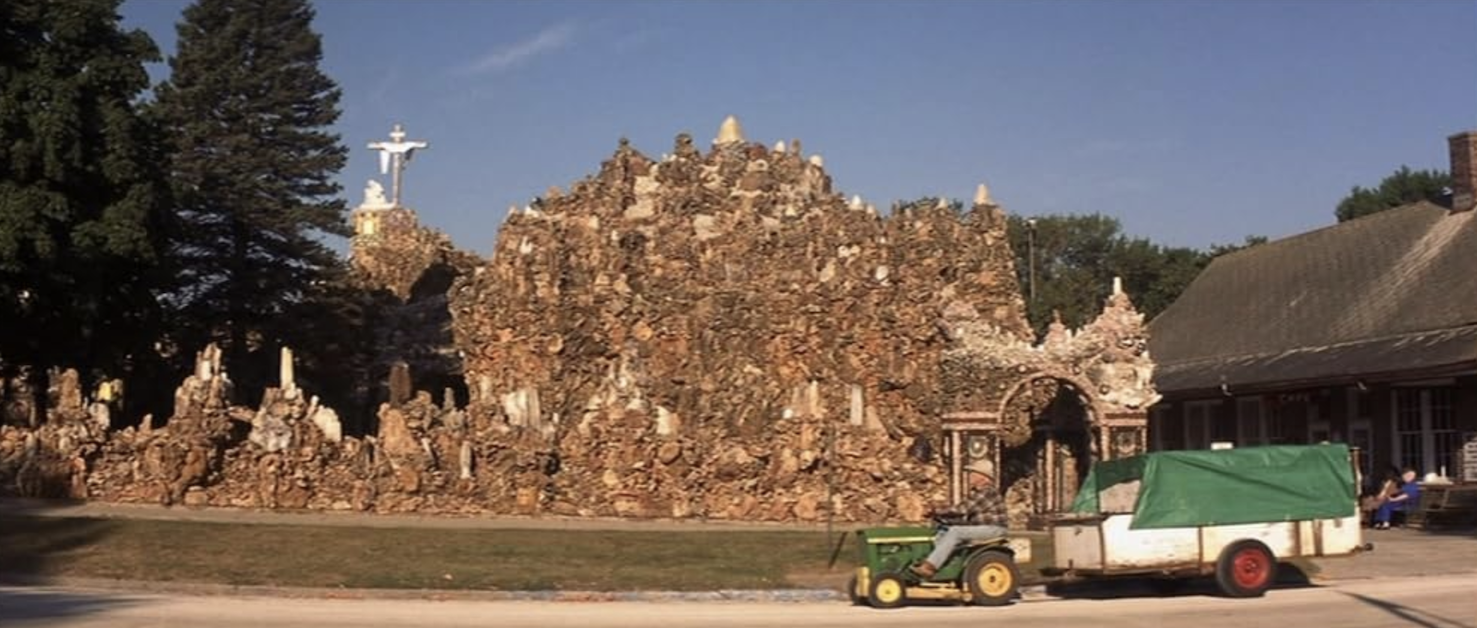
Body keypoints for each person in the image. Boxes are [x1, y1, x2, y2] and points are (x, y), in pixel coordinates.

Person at [910, 471, 1008, 578]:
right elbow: (961, 514)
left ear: (983, 478)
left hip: (993, 529)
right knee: (946, 529)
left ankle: (930, 567)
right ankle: (942, 565)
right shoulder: (976, 493)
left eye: (974, 474)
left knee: (955, 532)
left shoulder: (987, 492)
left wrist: (935, 510)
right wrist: (943, 518)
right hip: (982, 527)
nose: (970, 476)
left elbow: (961, 510)